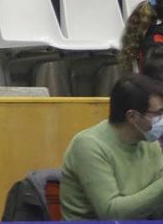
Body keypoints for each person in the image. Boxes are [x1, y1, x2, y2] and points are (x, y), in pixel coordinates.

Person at [61, 72, 163, 220]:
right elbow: (111, 213)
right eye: (159, 113)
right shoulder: (88, 146)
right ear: (132, 116)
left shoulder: (149, 142)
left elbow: (157, 206)